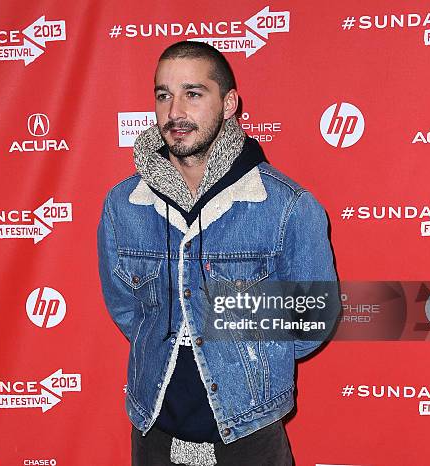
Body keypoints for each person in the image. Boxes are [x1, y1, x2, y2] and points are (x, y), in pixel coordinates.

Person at [97, 40, 337, 466]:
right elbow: (127, 310)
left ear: (229, 104)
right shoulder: (123, 206)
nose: (174, 112)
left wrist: (234, 334)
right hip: (153, 432)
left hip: (250, 434)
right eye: (163, 95)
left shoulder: (285, 206)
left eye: (193, 93)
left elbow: (312, 319)